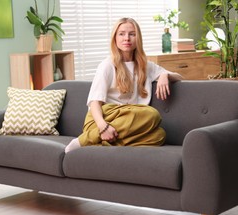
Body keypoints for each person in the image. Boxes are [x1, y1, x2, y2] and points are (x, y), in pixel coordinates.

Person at [65, 17, 183, 153]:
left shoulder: (145, 66)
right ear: (115, 38)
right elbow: (94, 103)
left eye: (132, 34)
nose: (127, 38)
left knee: (159, 135)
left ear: (138, 38)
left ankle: (102, 144)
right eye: (121, 34)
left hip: (130, 121)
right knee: (152, 115)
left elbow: (180, 77)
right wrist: (103, 127)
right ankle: (85, 139)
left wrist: (164, 75)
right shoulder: (107, 65)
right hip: (103, 118)